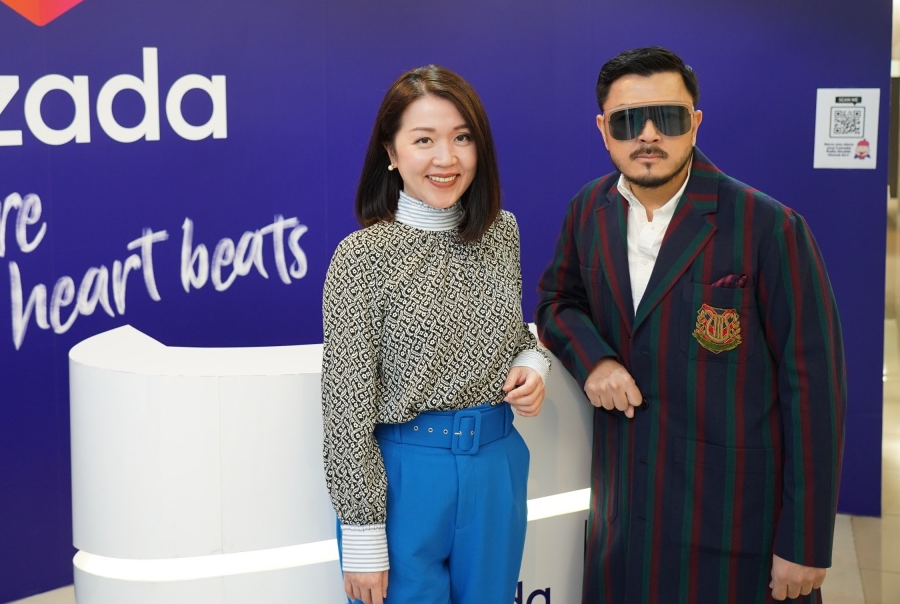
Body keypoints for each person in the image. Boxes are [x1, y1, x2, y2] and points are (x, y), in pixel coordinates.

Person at [535, 47, 847, 603]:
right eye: (628, 121)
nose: (648, 135)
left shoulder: (768, 227)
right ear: (604, 130)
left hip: (733, 523)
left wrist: (805, 540)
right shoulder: (588, 211)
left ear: (695, 123)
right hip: (623, 518)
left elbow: (814, 391)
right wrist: (595, 361)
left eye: (668, 117)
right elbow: (558, 302)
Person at [322, 64, 551, 604]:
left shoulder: (501, 232)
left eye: (462, 138)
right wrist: (361, 532)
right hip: (406, 477)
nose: (446, 158)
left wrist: (532, 364)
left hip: (497, 464)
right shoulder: (361, 257)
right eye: (424, 140)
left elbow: (514, 336)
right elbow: (346, 409)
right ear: (391, 151)